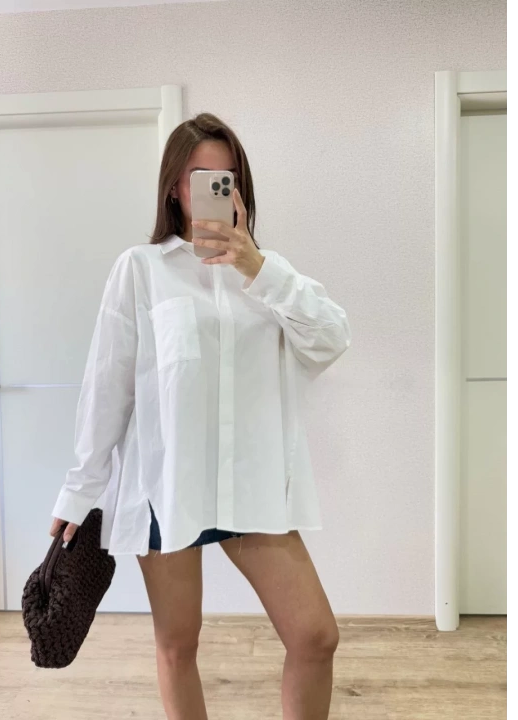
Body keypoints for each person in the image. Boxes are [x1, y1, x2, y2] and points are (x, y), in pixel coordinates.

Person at [49, 113, 351, 720]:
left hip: (249, 488)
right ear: (174, 187)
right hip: (168, 490)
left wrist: (257, 267)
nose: (214, 187)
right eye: (199, 176)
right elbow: (107, 387)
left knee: (316, 636)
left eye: (226, 176)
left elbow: (330, 339)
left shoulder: (265, 273)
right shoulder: (141, 269)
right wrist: (78, 491)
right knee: (178, 645)